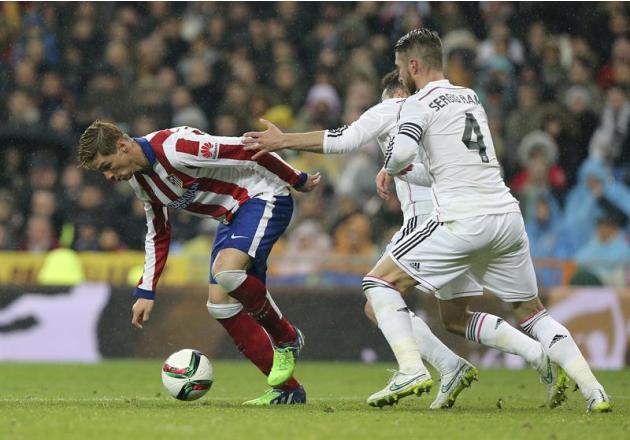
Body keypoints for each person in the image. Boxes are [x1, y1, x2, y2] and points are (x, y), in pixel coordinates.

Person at [243, 71, 558, 410]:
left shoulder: (394, 107)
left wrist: (283, 141)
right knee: (455, 318)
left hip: (430, 224)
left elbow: (344, 138)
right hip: (464, 219)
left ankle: (420, 368)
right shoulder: (442, 111)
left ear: (393, 91)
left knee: (377, 294)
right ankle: (536, 353)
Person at [369, 28, 610, 413]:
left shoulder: (416, 107)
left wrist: (387, 166)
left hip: (451, 223)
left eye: (401, 71)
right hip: (501, 213)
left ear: (413, 67)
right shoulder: (467, 98)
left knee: (378, 288)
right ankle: (590, 387)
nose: (401, 80)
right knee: (514, 314)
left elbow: (392, 154)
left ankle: (418, 368)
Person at [77, 121, 320, 405]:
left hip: (263, 196)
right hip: (231, 217)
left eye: (107, 165)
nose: (108, 176)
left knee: (226, 271)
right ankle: (288, 391)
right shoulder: (139, 180)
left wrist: (296, 178)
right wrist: (146, 290)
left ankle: (286, 337)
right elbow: (159, 232)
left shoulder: (178, 148)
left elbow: (248, 148)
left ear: (122, 146)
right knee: (220, 305)